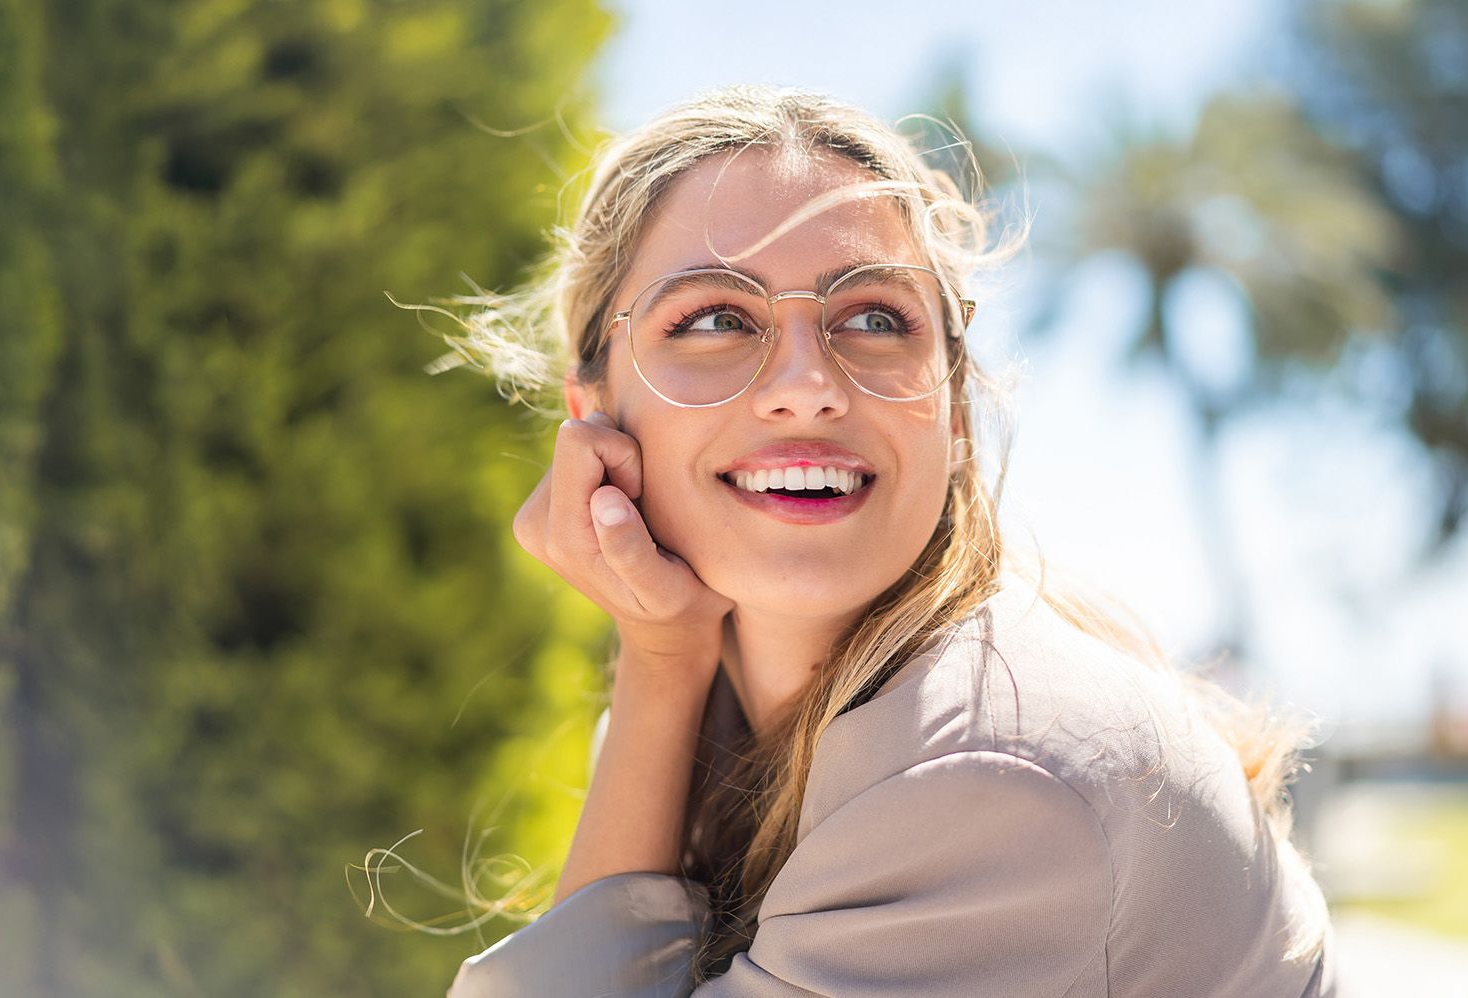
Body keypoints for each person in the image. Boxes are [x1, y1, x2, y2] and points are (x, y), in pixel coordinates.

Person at [425, 84, 1339, 996]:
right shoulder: (717, 720)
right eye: (715, 319)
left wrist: (659, 668)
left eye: (873, 318)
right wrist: (662, 662)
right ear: (593, 419)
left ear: (953, 410)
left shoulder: (984, 777)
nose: (807, 385)